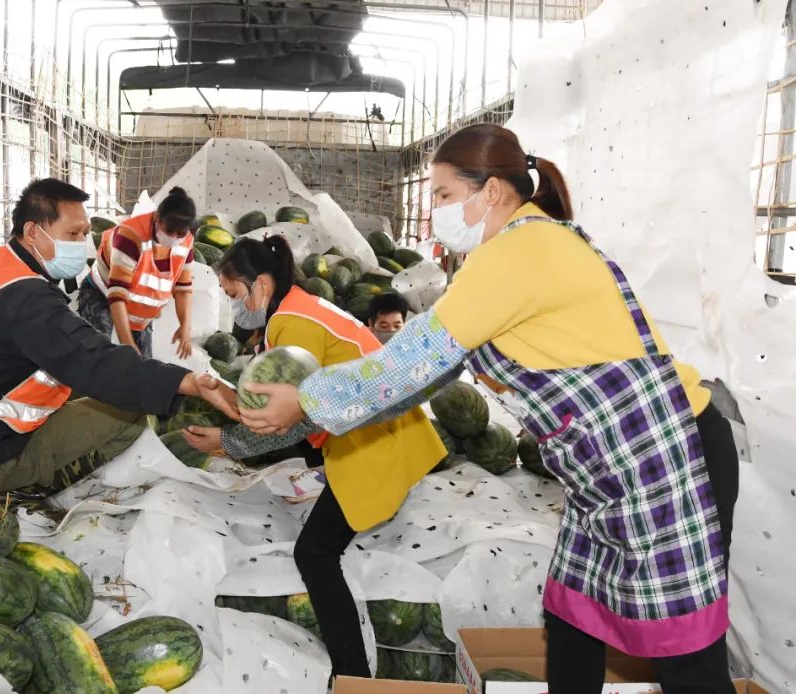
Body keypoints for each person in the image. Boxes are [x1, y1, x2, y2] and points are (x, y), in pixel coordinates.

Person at [240, 124, 739, 694]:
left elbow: (412, 362)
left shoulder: (521, 252)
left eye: (445, 196)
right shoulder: (514, 251)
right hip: (614, 467)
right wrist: (313, 409)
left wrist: (306, 399)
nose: (435, 214)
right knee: (574, 618)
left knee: (686, 658)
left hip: (668, 458)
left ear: (493, 192)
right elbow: (423, 371)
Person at [182, 235, 450, 678]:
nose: (233, 307)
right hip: (377, 430)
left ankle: (352, 677)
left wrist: (226, 443)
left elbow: (296, 419)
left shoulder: (294, 325)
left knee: (315, 555)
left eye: (233, 295)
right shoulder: (296, 309)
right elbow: (283, 403)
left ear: (260, 286)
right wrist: (225, 397)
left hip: (378, 442)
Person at [0, 178, 236, 496]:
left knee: (94, 385)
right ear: (32, 232)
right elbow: (97, 361)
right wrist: (188, 381)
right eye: (72, 234)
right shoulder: (28, 300)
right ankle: (36, 482)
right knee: (131, 413)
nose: (82, 243)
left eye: (84, 233)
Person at [77, 186, 198, 358]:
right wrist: (128, 344)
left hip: (138, 314)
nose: (175, 237)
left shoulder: (186, 243)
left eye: (181, 233)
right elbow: (117, 293)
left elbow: (183, 289)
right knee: (99, 357)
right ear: (157, 218)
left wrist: (185, 326)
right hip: (101, 294)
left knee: (142, 369)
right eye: (170, 231)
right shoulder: (130, 235)